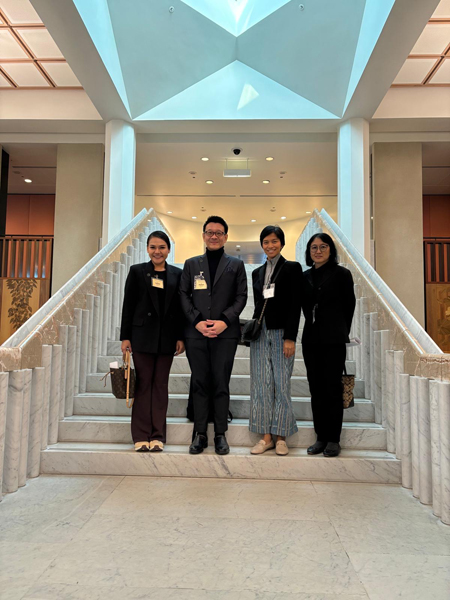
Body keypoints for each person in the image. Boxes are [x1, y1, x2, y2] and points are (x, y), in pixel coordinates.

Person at [180, 215, 247, 455]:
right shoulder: (191, 264)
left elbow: (241, 297)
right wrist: (197, 322)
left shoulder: (236, 265)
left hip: (225, 334)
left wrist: (224, 321)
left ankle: (220, 434)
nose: (214, 236)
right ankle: (199, 434)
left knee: (221, 382)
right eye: (210, 232)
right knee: (199, 382)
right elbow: (183, 295)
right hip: (196, 334)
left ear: (226, 237)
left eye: (219, 232)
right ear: (203, 235)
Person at [120, 231, 185, 452]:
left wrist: (180, 337)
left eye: (162, 247)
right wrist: (125, 337)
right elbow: (128, 305)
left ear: (168, 250)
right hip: (141, 338)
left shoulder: (178, 274)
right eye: (153, 247)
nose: (157, 251)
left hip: (167, 339)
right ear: (147, 249)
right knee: (143, 386)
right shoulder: (137, 271)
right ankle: (140, 436)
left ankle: (157, 436)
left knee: (160, 387)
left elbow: (180, 310)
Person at [249, 226, 302, 456]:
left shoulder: (292, 268)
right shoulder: (257, 273)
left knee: (281, 384)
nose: (270, 246)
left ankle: (281, 436)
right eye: (266, 242)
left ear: (281, 242)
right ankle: (266, 437)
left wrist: (290, 337)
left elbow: (295, 304)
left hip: (282, 333)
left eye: (274, 241)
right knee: (261, 385)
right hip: (261, 334)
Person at [302, 233, 356, 457]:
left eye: (323, 246)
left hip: (333, 339)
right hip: (311, 340)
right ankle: (320, 437)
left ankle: (334, 439)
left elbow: (349, 307)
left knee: (332, 388)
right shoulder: (304, 277)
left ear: (331, 250)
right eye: (314, 247)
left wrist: (340, 331)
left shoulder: (342, 274)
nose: (318, 251)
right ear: (309, 252)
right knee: (316, 389)